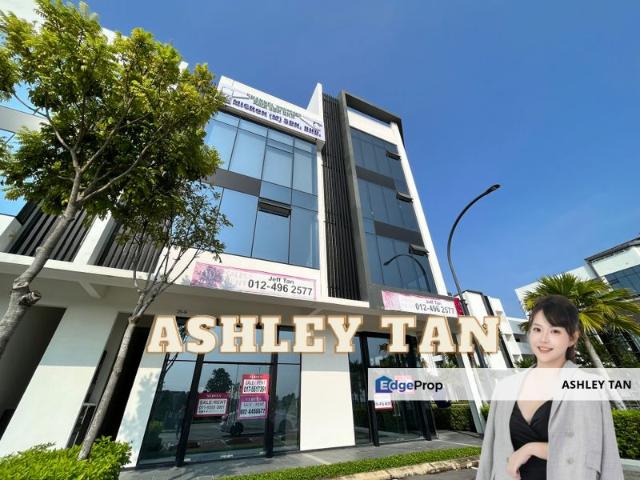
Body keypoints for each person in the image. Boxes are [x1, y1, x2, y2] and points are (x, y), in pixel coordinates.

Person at [475, 294, 623, 480]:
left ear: (572, 338)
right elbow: (489, 454)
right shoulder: (505, 388)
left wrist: (533, 448)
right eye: (537, 329)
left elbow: (601, 454)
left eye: (555, 331)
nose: (543, 339)